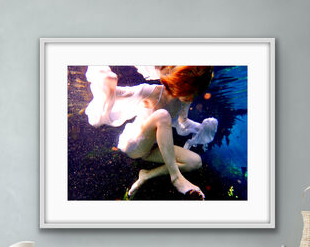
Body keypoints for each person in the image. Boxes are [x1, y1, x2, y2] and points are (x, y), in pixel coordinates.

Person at [85, 65, 218, 199]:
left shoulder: (184, 101)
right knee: (163, 115)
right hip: (135, 144)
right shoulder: (152, 92)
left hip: (155, 148)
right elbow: (120, 94)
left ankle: (146, 175)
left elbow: (183, 123)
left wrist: (201, 128)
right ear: (182, 84)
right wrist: (108, 85)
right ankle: (176, 177)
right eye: (192, 92)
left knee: (195, 161)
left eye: (197, 94)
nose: (192, 98)